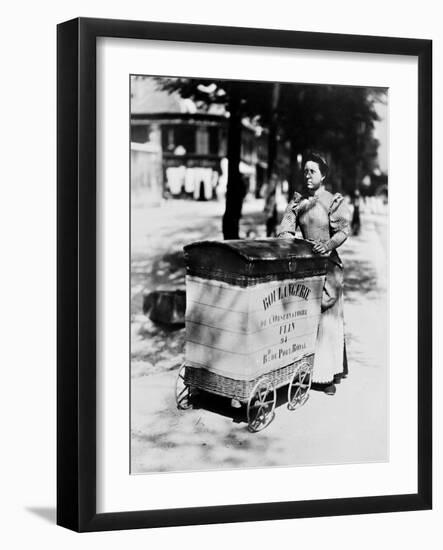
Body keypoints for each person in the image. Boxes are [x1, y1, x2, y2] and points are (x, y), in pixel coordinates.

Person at [277, 152, 351, 395]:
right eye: (305, 171)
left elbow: (342, 231)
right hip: (306, 268)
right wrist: (288, 240)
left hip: (328, 268)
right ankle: (302, 373)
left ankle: (326, 376)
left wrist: (328, 245)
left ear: (324, 175)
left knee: (326, 322)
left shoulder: (332, 200)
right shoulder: (298, 202)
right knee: (304, 318)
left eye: (313, 171)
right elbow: (286, 229)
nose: (308, 176)